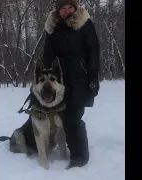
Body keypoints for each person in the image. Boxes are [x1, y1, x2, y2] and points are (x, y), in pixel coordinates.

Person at [42, 0, 100, 169]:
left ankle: (80, 157)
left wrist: (94, 78)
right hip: (60, 82)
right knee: (65, 118)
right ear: (58, 10)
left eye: (69, 7)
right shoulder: (53, 28)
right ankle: (74, 151)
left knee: (74, 118)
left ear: (75, 8)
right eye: (63, 8)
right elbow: (47, 54)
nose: (66, 11)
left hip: (81, 78)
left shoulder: (84, 24)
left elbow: (93, 52)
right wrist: (44, 78)